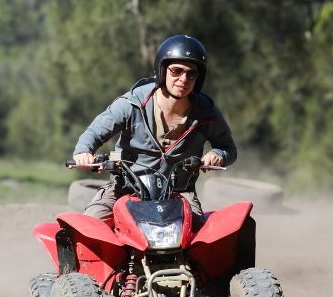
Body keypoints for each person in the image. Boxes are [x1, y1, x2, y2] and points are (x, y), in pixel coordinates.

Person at [73, 34, 237, 222]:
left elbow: (229, 149)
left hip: (180, 193)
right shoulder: (132, 103)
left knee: (202, 239)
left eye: (191, 74)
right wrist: (83, 152)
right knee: (91, 225)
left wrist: (219, 155)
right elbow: (94, 133)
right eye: (176, 71)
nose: (183, 79)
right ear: (162, 70)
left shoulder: (207, 112)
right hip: (125, 187)